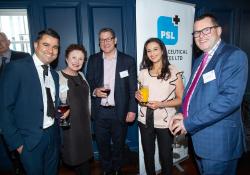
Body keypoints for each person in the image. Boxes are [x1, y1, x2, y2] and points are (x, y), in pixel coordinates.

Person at [169, 13, 248, 175]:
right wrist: (182, 113)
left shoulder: (233, 56)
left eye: (206, 30)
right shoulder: (200, 60)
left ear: (218, 31)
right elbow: (192, 94)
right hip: (200, 140)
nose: (200, 36)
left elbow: (229, 100)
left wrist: (188, 123)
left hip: (219, 143)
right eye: (196, 33)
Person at [0, 28, 61, 175]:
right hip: (29, 141)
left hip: (53, 135)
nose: (51, 50)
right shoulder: (16, 68)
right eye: (46, 45)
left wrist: (59, 114)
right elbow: (3, 109)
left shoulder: (54, 74)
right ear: (35, 45)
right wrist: (17, 143)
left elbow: (46, 104)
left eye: (55, 47)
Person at [86, 28, 137, 175]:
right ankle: (107, 170)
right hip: (100, 112)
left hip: (119, 112)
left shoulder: (127, 61)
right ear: (99, 42)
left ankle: (117, 170)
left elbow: (133, 88)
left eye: (108, 39)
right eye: (102, 40)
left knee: (119, 145)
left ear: (115, 40)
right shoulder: (93, 59)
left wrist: (132, 110)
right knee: (102, 146)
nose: (105, 42)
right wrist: (95, 91)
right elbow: (88, 84)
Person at [135, 38, 184, 175]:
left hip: (165, 121)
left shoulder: (173, 71)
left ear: (162, 50)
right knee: (148, 155)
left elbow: (180, 99)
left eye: (155, 49)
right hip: (145, 120)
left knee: (166, 156)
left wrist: (161, 104)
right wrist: (138, 96)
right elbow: (142, 99)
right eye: (148, 50)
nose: (152, 53)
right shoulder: (143, 73)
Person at [58, 44, 93, 175]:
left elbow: (87, 98)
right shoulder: (58, 77)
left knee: (84, 159)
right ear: (66, 58)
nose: (77, 61)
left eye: (81, 59)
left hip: (84, 124)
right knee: (75, 157)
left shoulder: (82, 76)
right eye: (73, 57)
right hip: (69, 126)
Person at [0, 32, 30, 174]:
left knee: (22, 150)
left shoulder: (24, 57)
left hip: (21, 113)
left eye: (2, 39)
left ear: (9, 41)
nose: (0, 43)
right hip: (2, 113)